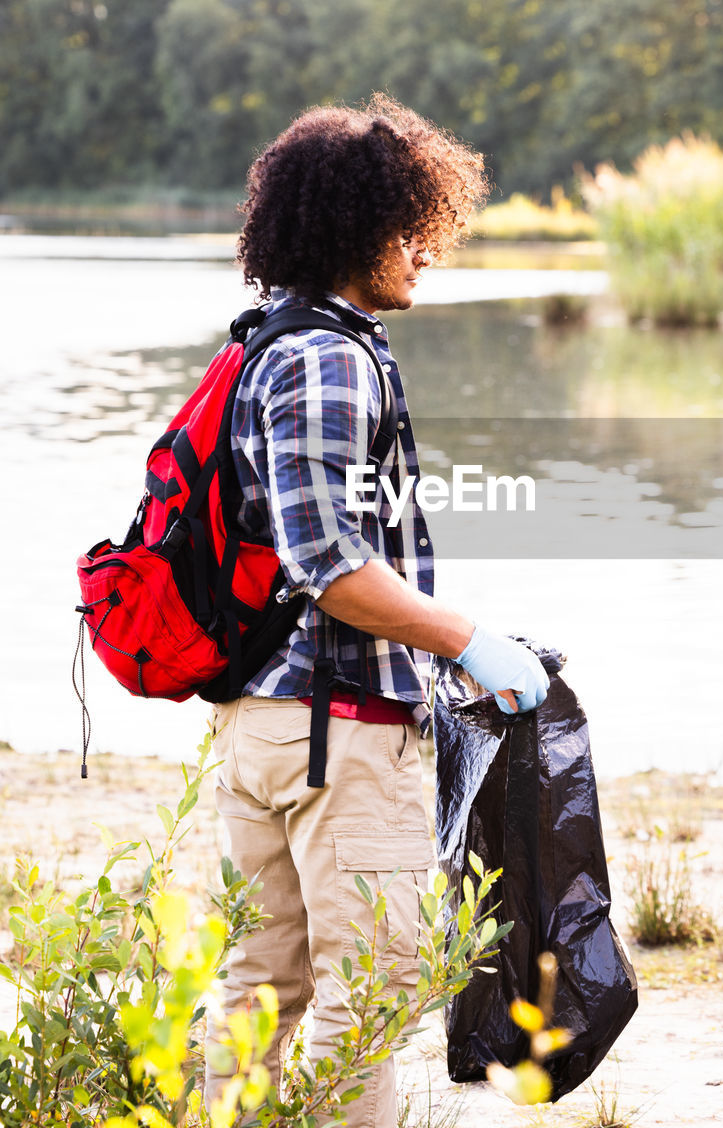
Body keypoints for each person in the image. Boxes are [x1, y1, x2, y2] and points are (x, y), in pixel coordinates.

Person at [203, 94, 550, 1126]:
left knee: (256, 994)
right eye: (409, 228)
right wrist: (468, 639)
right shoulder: (325, 357)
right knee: (368, 1006)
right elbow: (328, 562)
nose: (424, 254)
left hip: (264, 727)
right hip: (337, 737)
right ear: (355, 228)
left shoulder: (262, 341)